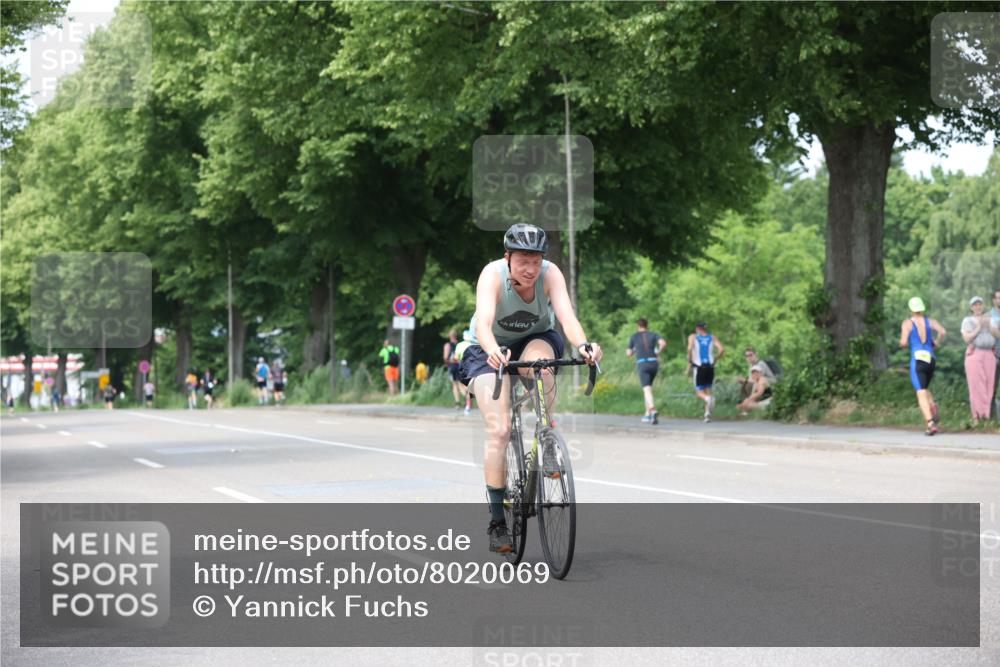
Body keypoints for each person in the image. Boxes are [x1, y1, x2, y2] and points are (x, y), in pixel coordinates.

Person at [459, 223, 602, 555]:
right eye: (523, 260)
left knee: (542, 367)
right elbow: (483, 323)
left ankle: (546, 436)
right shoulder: (492, 275)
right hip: (486, 347)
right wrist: (494, 349)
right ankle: (497, 521)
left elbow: (566, 317)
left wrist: (584, 345)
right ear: (507, 257)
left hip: (533, 340)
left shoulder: (550, 275)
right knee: (498, 430)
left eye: (536, 260)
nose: (530, 268)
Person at [899, 296, 946, 435]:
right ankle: (933, 406)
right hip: (931, 359)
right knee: (924, 387)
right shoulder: (930, 321)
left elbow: (903, 341)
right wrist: (936, 342)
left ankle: (930, 423)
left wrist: (904, 344)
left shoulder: (907, 323)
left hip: (917, 359)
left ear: (911, 309)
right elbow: (943, 332)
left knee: (920, 392)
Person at [961, 296, 998, 425]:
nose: (978, 307)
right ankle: (976, 417)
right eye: (975, 305)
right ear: (971, 307)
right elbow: (967, 338)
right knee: (976, 385)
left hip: (989, 354)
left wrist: (991, 327)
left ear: (983, 306)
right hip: (975, 354)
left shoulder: (990, 319)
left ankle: (986, 417)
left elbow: (997, 335)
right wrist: (979, 327)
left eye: (980, 304)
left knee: (989, 385)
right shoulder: (967, 320)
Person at [626, 317, 666, 424]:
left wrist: (634, 350)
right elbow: (663, 343)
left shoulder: (634, 337)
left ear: (638, 326)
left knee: (646, 389)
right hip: (654, 363)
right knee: (648, 389)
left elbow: (628, 354)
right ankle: (647, 414)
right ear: (647, 325)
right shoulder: (653, 334)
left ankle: (652, 410)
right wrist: (658, 353)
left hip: (643, 363)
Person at [687, 322, 724, 422]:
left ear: (697, 329)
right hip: (710, 367)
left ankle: (708, 400)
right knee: (708, 390)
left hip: (699, 367)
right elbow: (721, 349)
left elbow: (690, 348)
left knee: (699, 392)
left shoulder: (693, 337)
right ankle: (707, 414)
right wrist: (716, 359)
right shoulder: (712, 337)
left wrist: (690, 360)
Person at [455, 329, 475, 414]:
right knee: (469, 385)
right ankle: (468, 404)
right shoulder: (473, 344)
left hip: (462, 366)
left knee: (460, 385)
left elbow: (456, 358)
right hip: (472, 367)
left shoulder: (459, 345)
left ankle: (467, 397)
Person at [444, 330, 463, 408]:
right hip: (461, 365)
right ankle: (468, 400)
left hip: (452, 366)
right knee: (461, 384)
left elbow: (445, 357)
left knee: (455, 384)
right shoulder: (460, 344)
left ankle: (457, 403)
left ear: (449, 336)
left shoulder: (448, 345)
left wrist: (447, 364)